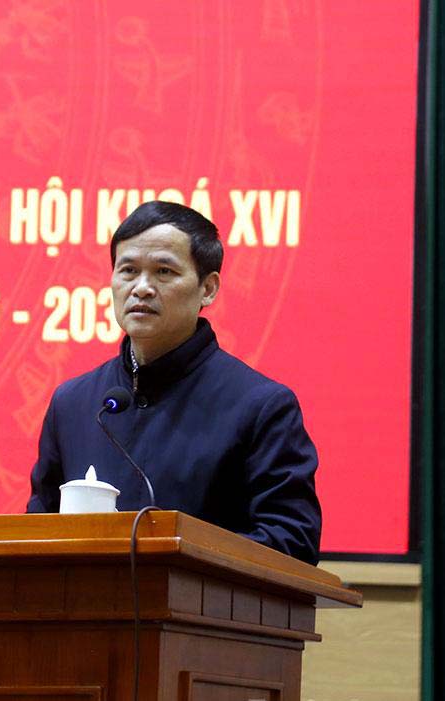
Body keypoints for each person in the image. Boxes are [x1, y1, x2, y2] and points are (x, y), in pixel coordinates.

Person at [26, 201, 322, 564]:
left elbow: (291, 541)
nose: (142, 288)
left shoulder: (261, 406)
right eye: (128, 270)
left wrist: (176, 557)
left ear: (208, 289)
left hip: (204, 616)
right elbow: (37, 531)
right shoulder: (73, 402)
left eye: (164, 272)